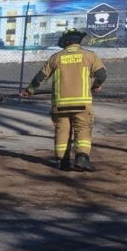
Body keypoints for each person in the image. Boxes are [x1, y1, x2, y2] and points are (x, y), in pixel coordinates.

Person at [20, 29, 107, 172]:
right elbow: (102, 75)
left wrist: (28, 91)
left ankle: (62, 162)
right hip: (82, 104)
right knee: (83, 130)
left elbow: (39, 78)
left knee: (62, 131)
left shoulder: (56, 57)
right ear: (78, 41)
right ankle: (81, 159)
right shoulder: (89, 56)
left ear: (65, 42)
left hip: (60, 105)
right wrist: (96, 86)